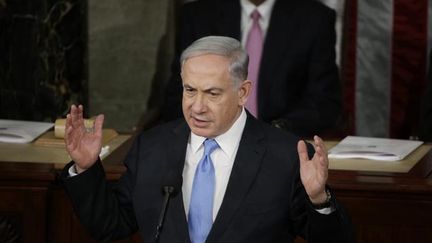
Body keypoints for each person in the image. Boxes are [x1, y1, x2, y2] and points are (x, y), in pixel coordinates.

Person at [62, 36, 352, 243]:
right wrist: (86, 169)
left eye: (212, 93)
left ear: (243, 92)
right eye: (190, 90)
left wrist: (319, 199)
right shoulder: (153, 147)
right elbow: (112, 226)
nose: (197, 106)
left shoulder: (285, 156)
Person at [161, 0, 342, 137]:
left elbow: (324, 101)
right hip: (209, 138)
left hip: (281, 143)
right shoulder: (198, 15)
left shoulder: (316, 18)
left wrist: (277, 129)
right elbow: (178, 91)